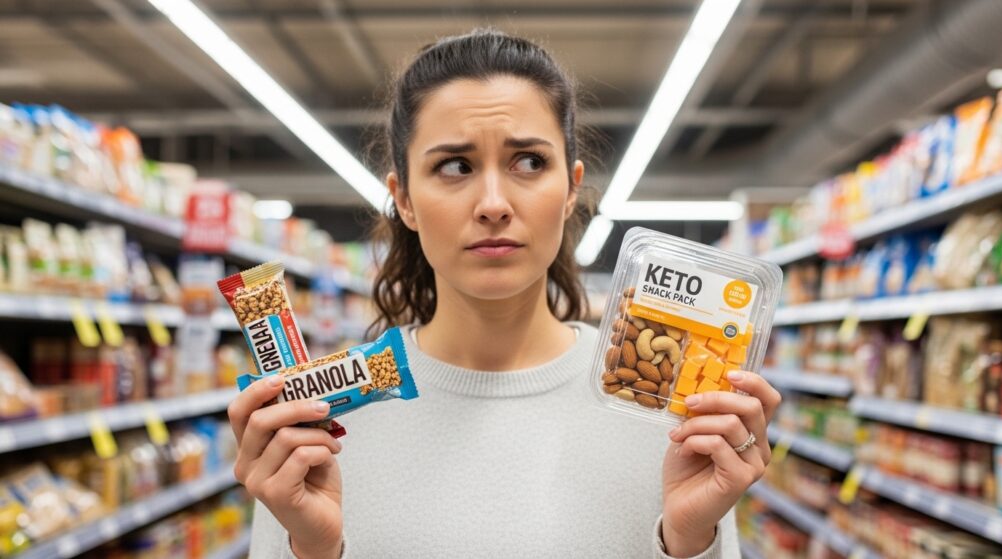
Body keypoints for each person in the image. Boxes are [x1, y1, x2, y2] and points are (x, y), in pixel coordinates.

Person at [231, 29, 781, 559]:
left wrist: (688, 544)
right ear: (404, 199)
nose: (493, 202)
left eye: (528, 162)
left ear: (570, 189)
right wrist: (315, 550)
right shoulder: (322, 420)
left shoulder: (660, 404)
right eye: (454, 166)